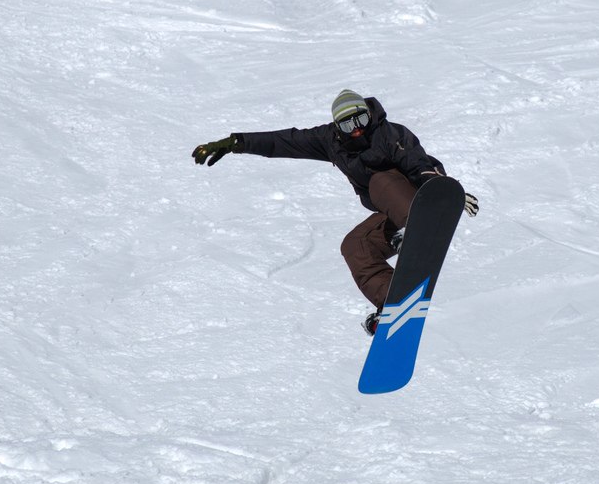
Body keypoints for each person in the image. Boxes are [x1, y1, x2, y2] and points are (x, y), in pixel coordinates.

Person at [192, 90, 478, 334]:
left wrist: (443, 193)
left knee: (380, 180)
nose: (356, 129)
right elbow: (284, 141)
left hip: (414, 204)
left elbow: (420, 164)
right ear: (336, 127)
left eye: (361, 119)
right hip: (395, 216)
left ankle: (414, 229)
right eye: (348, 124)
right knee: (355, 245)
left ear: (369, 115)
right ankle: (394, 301)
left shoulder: (389, 134)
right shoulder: (330, 141)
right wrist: (235, 143)